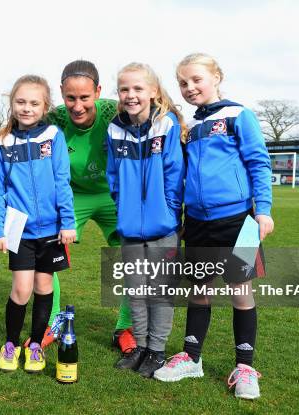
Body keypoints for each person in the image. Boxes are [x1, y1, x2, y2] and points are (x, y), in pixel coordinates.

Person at [153, 53, 274, 400]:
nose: (190, 88)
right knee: (199, 289)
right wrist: (177, 219)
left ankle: (245, 367)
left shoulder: (238, 115)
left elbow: (258, 163)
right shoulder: (189, 127)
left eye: (196, 80)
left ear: (217, 77)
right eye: (183, 83)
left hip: (239, 220)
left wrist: (263, 210)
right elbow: (181, 175)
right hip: (198, 222)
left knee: (240, 291)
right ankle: (191, 357)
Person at [44, 60, 135, 353]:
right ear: (61, 93)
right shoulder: (53, 119)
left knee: (134, 255)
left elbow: (155, 110)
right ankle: (52, 322)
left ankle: (125, 327)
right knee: (47, 253)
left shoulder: (115, 111)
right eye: (71, 97)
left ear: (97, 91)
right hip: (74, 196)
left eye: (85, 97)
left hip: (112, 195)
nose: (78, 105)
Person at [0, 75, 76, 374]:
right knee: (22, 290)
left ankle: (36, 345)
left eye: (34, 103)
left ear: (45, 106)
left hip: (52, 231)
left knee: (43, 286)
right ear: (12, 104)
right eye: (21, 102)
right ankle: (10, 344)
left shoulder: (53, 135)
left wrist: (68, 222)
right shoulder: (2, 142)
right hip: (20, 231)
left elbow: (62, 181)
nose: (27, 108)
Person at [106, 63, 185, 378]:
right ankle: (139, 346)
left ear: (153, 91)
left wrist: (168, 212)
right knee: (135, 290)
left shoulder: (166, 125)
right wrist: (122, 206)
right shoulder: (113, 129)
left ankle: (157, 350)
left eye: (138, 88)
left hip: (162, 227)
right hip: (129, 228)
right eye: (124, 89)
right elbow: (113, 175)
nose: (131, 95)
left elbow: (174, 173)